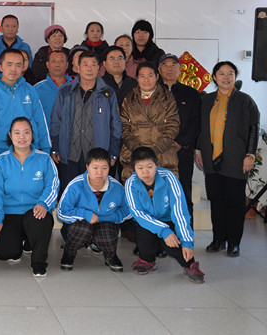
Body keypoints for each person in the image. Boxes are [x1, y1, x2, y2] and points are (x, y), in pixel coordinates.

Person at [195, 61, 260, 257]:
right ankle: (218, 240)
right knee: (216, 201)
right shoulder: (207, 100)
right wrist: (198, 149)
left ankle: (234, 243)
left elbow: (254, 128)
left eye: (230, 73)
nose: (226, 77)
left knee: (235, 203)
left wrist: (250, 154)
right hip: (211, 158)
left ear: (235, 77)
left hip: (236, 158)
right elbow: (200, 127)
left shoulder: (244, 100)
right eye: (221, 73)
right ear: (214, 77)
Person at [0, 117, 59, 277]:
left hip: (34, 211)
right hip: (9, 214)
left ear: (32, 135)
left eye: (26, 132)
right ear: (10, 135)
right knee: (2, 251)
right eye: (17, 132)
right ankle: (18, 244)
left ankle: (38, 262)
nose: (22, 137)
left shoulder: (44, 159)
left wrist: (44, 204)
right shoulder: (1, 161)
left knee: (41, 219)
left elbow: (53, 185)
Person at [125, 146, 205, 283]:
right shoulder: (131, 183)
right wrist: (164, 231)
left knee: (176, 246)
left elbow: (179, 211)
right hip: (148, 222)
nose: (145, 172)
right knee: (144, 236)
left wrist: (187, 241)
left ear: (156, 165)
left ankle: (190, 265)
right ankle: (147, 261)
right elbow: (138, 214)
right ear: (134, 169)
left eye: (149, 167)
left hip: (169, 220)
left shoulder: (168, 177)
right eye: (140, 168)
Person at [50, 51, 121, 188]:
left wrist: (113, 152)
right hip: (70, 153)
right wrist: (55, 148)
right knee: (70, 191)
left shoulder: (108, 93)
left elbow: (115, 125)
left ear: (99, 68)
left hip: (97, 156)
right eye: (85, 64)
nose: (89, 68)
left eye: (93, 65)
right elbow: (56, 121)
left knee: (96, 193)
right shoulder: (65, 91)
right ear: (78, 68)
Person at [57, 147, 129, 272]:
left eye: (104, 168)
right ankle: (69, 253)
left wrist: (113, 217)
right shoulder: (76, 185)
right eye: (95, 168)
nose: (99, 172)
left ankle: (110, 255)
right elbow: (61, 212)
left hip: (106, 222)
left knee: (107, 235)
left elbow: (128, 209)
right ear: (87, 167)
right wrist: (85, 214)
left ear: (109, 168)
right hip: (82, 223)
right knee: (81, 230)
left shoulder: (117, 187)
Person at [0, 49, 50, 158]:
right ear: (0, 67)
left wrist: (46, 150)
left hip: (31, 149)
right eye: (9, 64)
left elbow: (41, 121)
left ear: (23, 67)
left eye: (18, 65)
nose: (13, 69)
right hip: (2, 152)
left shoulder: (30, 90)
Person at [119, 62, 180, 183]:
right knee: (135, 192)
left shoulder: (167, 97)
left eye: (150, 75)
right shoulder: (129, 99)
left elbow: (173, 126)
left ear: (157, 77)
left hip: (162, 156)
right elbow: (124, 127)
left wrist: (155, 149)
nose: (146, 80)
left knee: (162, 192)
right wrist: (138, 150)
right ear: (137, 78)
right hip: (134, 156)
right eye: (142, 76)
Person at [159, 54, 201, 218]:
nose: (169, 68)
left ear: (180, 69)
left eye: (173, 64)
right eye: (165, 64)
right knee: (157, 194)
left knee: (183, 192)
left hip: (182, 152)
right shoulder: (152, 92)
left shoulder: (191, 94)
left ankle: (185, 231)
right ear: (159, 70)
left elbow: (196, 122)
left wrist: (180, 142)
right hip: (157, 152)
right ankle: (160, 232)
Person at [34, 49, 72, 125]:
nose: (57, 65)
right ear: (47, 64)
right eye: (53, 61)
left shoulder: (74, 88)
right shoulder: (36, 89)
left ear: (67, 65)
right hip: (45, 132)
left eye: (61, 61)